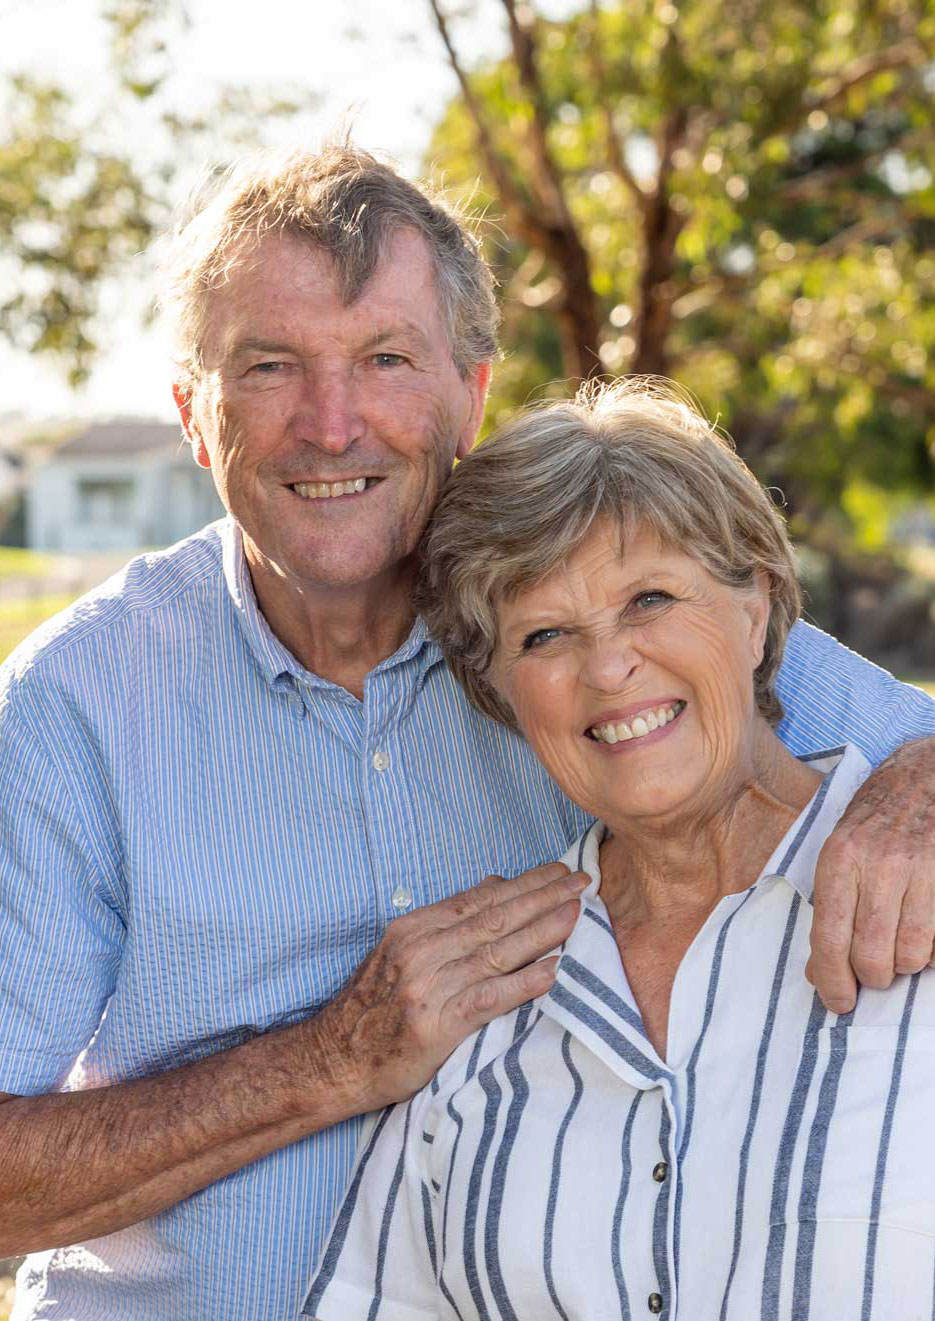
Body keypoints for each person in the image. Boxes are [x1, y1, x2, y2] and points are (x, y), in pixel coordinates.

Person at [1, 147, 934, 1321]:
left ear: (471, 394)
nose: (330, 425)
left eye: (385, 360)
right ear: (193, 413)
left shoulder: (592, 614)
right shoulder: (73, 705)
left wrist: (917, 796)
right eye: (270, 367)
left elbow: (892, 737)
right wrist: (330, 1060)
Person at [307, 379, 935, 1320]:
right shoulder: (471, 1001)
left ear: (755, 609)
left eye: (648, 598)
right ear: (502, 693)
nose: (606, 668)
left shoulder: (914, 877)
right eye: (546, 634)